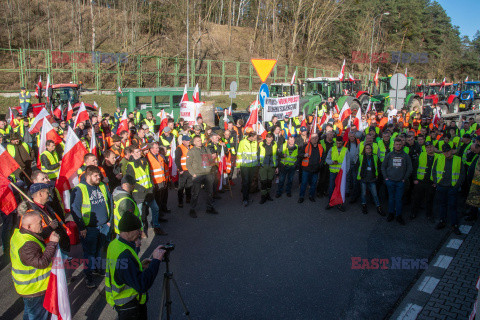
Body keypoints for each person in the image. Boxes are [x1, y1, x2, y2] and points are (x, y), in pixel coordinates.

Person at [105, 211, 166, 319]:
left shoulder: (114, 244)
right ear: (129, 231)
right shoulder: (125, 255)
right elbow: (142, 284)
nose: (140, 233)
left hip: (120, 302)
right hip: (130, 307)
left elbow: (120, 271)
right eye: (138, 230)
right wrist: (156, 261)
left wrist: (140, 266)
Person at [10, 210, 59, 320]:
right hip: (34, 289)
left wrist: (50, 228)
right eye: (39, 223)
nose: (42, 224)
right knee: (38, 316)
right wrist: (52, 243)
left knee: (30, 313)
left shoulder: (20, 234)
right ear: (28, 226)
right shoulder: (27, 246)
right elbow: (41, 263)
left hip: (28, 288)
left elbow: (37, 235)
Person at [71, 165, 113, 288]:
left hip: (104, 225)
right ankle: (88, 276)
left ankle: (97, 269)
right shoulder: (79, 189)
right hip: (89, 228)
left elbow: (110, 202)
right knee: (89, 253)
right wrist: (81, 227)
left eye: (99, 175)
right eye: (96, 176)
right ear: (88, 176)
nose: (98, 177)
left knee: (98, 250)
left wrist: (109, 221)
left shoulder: (102, 186)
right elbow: (75, 209)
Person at [126, 147, 167, 236]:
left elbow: (149, 175)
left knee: (155, 208)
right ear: (132, 154)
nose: (139, 153)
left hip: (148, 191)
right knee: (139, 213)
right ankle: (141, 231)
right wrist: (142, 188)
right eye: (136, 152)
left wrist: (151, 185)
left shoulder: (144, 161)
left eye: (139, 151)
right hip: (139, 193)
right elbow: (130, 181)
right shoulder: (130, 165)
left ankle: (156, 226)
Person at [432, 144, 464, 235]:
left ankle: (454, 225)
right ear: (443, 152)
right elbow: (434, 172)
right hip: (441, 187)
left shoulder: (458, 159)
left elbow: (462, 174)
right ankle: (442, 221)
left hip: (452, 187)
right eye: (445, 151)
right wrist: (437, 183)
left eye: (448, 151)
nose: (447, 153)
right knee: (442, 205)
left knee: (453, 206)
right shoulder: (439, 159)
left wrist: (457, 186)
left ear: (451, 150)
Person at [381, 138, 413, 225]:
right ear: (394, 145)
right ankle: (391, 214)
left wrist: (404, 178)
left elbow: (410, 168)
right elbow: (383, 166)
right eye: (396, 144)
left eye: (399, 144)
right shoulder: (390, 155)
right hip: (390, 181)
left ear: (402, 145)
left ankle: (399, 215)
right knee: (391, 199)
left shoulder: (405, 156)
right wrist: (386, 178)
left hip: (400, 182)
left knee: (399, 199)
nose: (398, 146)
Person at [186, 135, 218, 217]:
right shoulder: (191, 151)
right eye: (197, 141)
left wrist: (210, 168)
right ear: (194, 142)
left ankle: (209, 208)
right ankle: (192, 209)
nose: (200, 142)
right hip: (198, 175)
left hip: (207, 174)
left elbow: (210, 160)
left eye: (200, 140)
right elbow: (188, 164)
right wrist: (193, 174)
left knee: (210, 192)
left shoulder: (205, 149)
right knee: (195, 193)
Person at [411, 141, 437, 222]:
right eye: (427, 147)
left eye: (430, 147)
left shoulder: (438, 157)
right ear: (425, 148)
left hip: (431, 183)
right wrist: (415, 179)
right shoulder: (421, 155)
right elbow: (415, 167)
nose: (429, 148)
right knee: (417, 198)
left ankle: (429, 215)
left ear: (433, 147)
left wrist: (436, 183)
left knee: (430, 199)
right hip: (420, 181)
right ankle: (414, 213)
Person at [145, 142, 170, 218]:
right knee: (156, 200)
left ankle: (160, 213)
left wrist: (166, 180)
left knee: (161, 199)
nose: (158, 149)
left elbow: (163, 169)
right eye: (156, 148)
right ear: (151, 149)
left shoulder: (159, 156)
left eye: (158, 148)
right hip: (155, 182)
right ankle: (157, 216)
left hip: (161, 181)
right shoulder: (147, 158)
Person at [357, 144, 383, 215]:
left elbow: (378, 166)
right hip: (363, 177)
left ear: (371, 149)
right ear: (364, 150)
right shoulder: (361, 156)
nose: (368, 149)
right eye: (366, 148)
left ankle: (378, 206)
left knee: (375, 194)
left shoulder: (375, 156)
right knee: (363, 194)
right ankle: (364, 205)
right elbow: (357, 166)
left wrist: (377, 175)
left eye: (369, 148)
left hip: (372, 178)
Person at [325, 137, 350, 211]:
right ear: (335, 142)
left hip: (341, 174)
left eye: (340, 143)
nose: (338, 144)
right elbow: (327, 159)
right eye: (337, 143)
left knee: (340, 188)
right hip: (333, 172)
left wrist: (345, 173)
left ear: (342, 142)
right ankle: (331, 202)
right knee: (331, 188)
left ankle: (339, 204)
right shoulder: (332, 149)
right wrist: (332, 162)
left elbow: (347, 163)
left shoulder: (346, 150)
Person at [298, 133, 323, 203]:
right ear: (310, 139)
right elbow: (299, 154)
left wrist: (320, 165)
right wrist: (303, 155)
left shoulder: (320, 147)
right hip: (306, 169)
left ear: (318, 138)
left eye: (316, 138)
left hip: (316, 169)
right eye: (313, 138)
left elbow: (323, 157)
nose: (315, 139)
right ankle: (301, 197)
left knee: (314, 184)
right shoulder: (306, 146)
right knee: (304, 183)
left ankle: (311, 196)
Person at [236, 132, 259, 207]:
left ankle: (247, 197)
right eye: (255, 137)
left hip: (253, 166)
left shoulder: (255, 142)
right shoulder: (242, 142)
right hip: (245, 166)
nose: (256, 139)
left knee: (249, 182)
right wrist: (238, 167)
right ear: (251, 137)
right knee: (245, 182)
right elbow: (239, 154)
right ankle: (245, 199)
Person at [258, 133, 278, 203]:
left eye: (270, 138)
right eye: (268, 138)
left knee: (269, 181)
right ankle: (263, 197)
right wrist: (259, 165)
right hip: (263, 165)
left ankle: (268, 195)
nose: (269, 140)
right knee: (263, 182)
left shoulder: (275, 144)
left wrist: (276, 167)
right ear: (266, 138)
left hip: (272, 166)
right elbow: (257, 154)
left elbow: (276, 155)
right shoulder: (261, 144)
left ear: (272, 138)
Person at [176, 135, 193, 208]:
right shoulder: (179, 148)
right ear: (183, 141)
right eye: (187, 140)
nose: (189, 141)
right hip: (183, 171)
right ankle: (180, 201)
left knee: (189, 185)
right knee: (181, 187)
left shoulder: (192, 147)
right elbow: (177, 160)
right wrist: (180, 169)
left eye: (189, 140)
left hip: (190, 170)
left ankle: (188, 198)